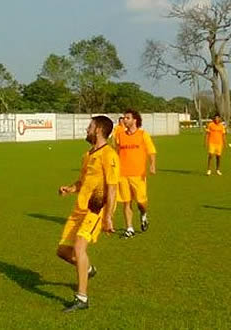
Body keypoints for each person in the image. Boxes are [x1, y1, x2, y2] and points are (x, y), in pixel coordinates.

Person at [57, 116, 118, 313]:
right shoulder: (88, 155)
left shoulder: (109, 155)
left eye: (90, 126)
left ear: (99, 130)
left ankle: (82, 298)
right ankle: (88, 270)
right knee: (63, 252)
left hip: (95, 209)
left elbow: (112, 188)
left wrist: (108, 216)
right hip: (79, 209)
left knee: (79, 247)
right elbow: (83, 181)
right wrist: (70, 188)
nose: (86, 129)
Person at [116, 109, 157, 238]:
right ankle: (129, 228)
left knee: (141, 202)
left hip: (138, 174)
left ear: (135, 120)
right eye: (124, 118)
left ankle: (143, 214)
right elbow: (117, 153)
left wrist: (152, 165)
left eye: (127, 118)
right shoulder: (120, 135)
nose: (124, 120)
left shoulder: (143, 134)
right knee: (126, 202)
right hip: (122, 174)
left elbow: (151, 151)